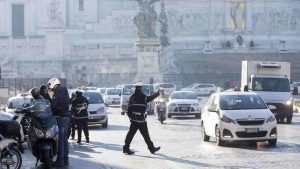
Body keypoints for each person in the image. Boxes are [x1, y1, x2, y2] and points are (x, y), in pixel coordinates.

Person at [123, 82, 161, 155]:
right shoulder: (143, 97)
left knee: (130, 135)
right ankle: (152, 149)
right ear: (140, 88)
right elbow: (150, 98)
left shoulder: (131, 97)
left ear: (135, 88)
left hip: (134, 120)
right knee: (146, 136)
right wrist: (157, 93)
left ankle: (126, 148)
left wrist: (130, 118)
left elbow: (129, 110)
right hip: (141, 120)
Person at [48, 78, 70, 167]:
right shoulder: (64, 91)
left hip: (60, 118)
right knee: (64, 140)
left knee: (60, 141)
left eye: (50, 85)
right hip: (66, 117)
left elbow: (53, 105)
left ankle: (60, 161)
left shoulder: (58, 92)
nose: (50, 88)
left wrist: (48, 98)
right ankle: (65, 160)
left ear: (53, 83)